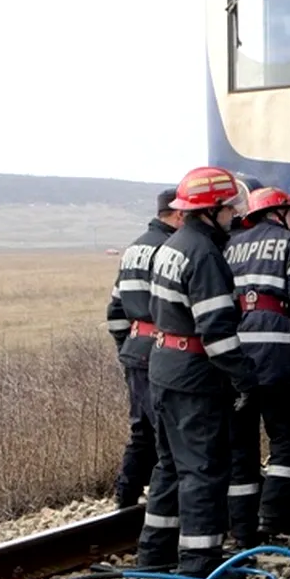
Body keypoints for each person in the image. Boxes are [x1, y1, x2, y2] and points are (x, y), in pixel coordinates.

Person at [136, 167, 258, 578]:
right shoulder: (204, 255)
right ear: (211, 211)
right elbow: (217, 333)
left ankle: (155, 554)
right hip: (195, 377)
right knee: (203, 470)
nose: (232, 217)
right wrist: (244, 377)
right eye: (228, 209)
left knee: (169, 465)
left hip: (164, 368)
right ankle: (200, 562)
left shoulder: (172, 244)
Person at [223, 186, 290, 539]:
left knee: (241, 444)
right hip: (277, 354)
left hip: (234, 357)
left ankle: (242, 524)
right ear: (280, 212)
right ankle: (276, 517)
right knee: (289, 437)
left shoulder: (230, 246)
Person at [105, 188, 183, 508]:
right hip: (163, 350)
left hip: (136, 349)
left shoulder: (133, 249)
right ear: (178, 215)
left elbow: (115, 308)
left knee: (142, 430)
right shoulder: (170, 250)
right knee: (171, 436)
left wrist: (128, 348)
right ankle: (169, 511)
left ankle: (125, 499)